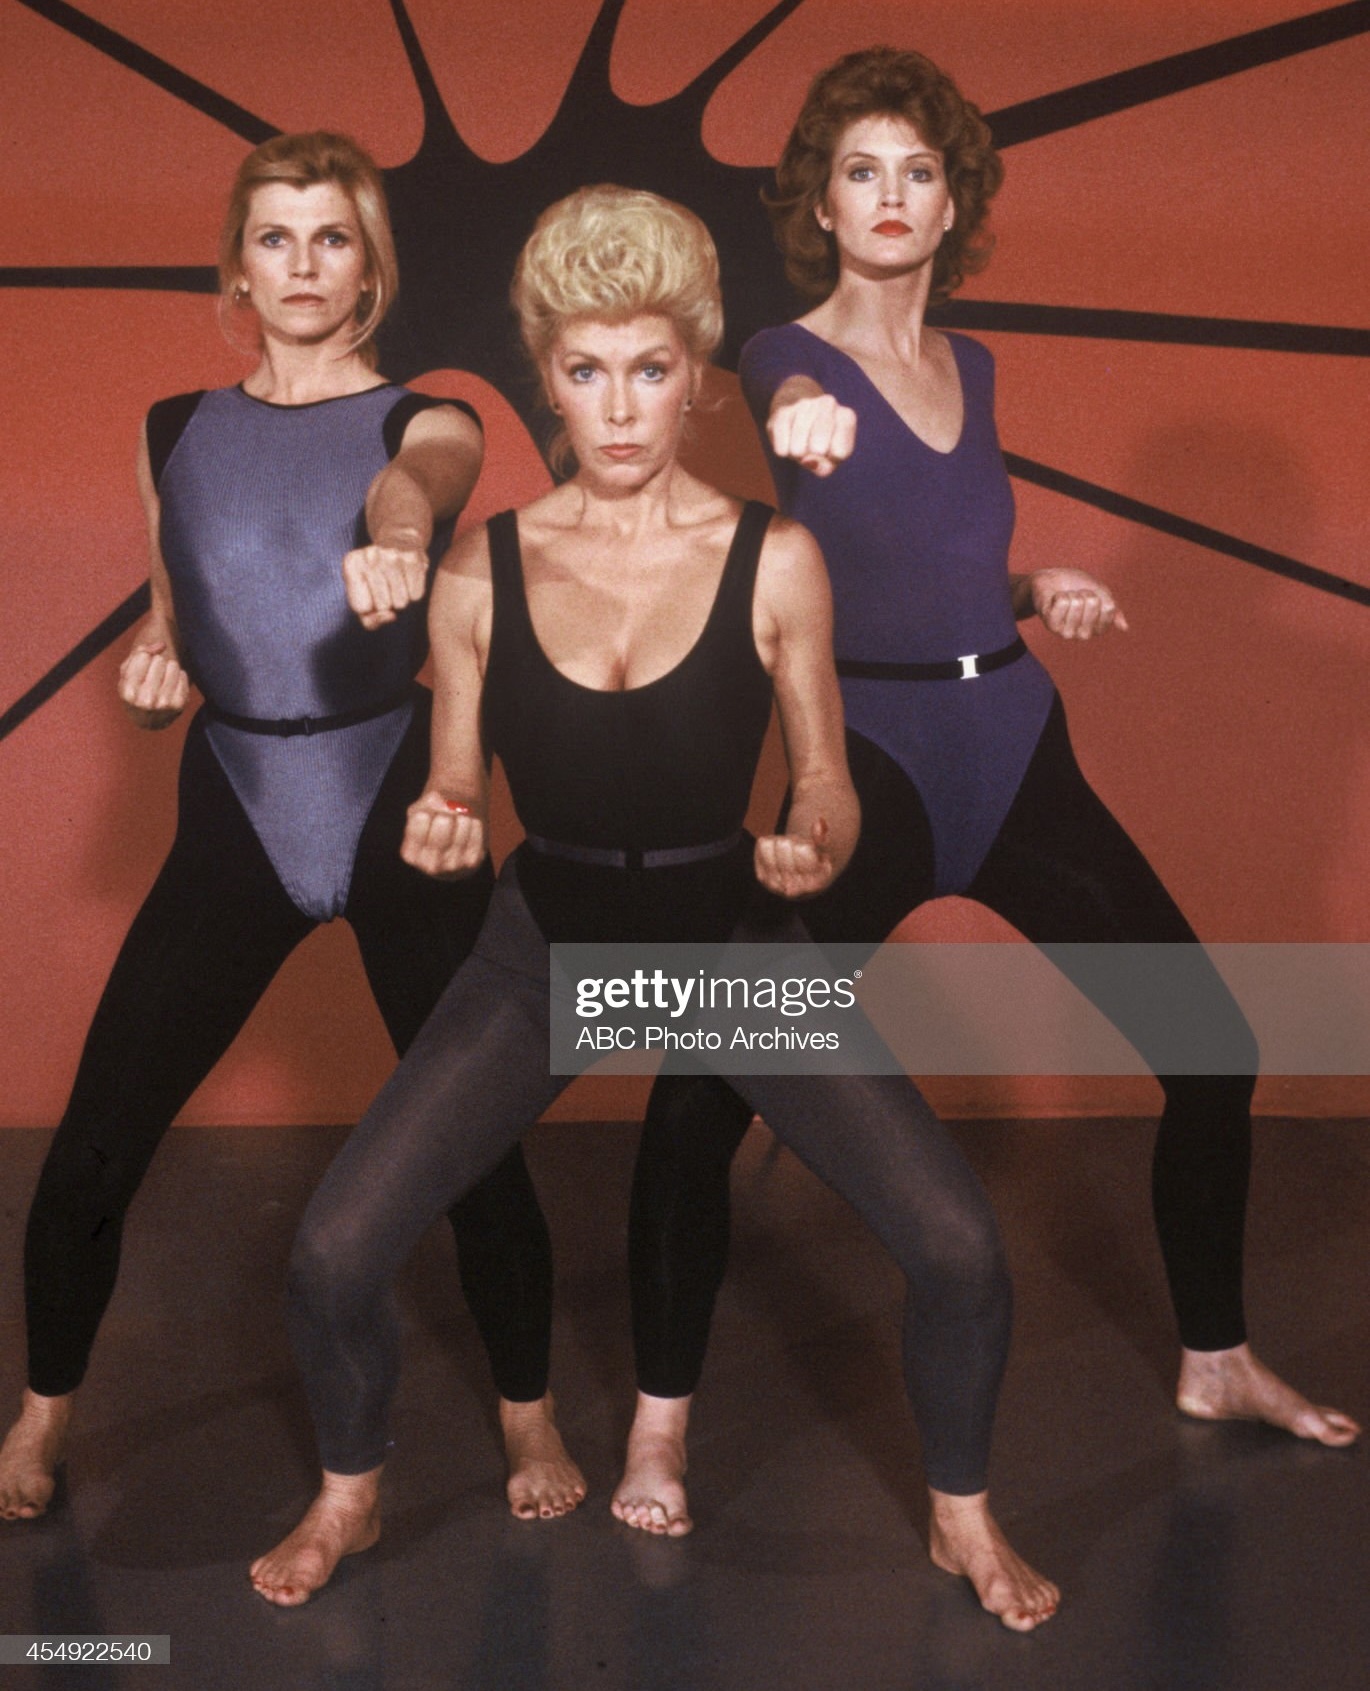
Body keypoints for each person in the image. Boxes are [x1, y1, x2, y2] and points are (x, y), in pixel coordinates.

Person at [249, 184, 1059, 1630]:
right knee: (330, 1251)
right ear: (546, 378)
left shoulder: (775, 558)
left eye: (649, 369)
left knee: (959, 1248)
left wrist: (813, 843)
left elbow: (827, 788)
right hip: (546, 956)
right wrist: (442, 820)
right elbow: (456, 785)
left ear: (695, 378)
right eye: (584, 370)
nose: (618, 408)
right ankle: (349, 1492)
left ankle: (961, 1517)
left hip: (725, 949)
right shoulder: (481, 568)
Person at [629, 43, 1359, 1530]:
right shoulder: (784, 358)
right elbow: (789, 412)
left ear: (953, 203)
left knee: (1213, 1053)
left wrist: (1032, 588)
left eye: (918, 171)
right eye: (861, 172)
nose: (891, 195)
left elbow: (930, 557)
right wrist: (795, 422)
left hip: (1016, 749)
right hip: (875, 771)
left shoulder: (974, 368)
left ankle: (1214, 1360)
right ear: (821, 204)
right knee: (701, 1088)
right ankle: (657, 1429)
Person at [0, 132, 586, 1531]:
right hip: (239, 809)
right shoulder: (171, 430)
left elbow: (416, 484)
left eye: (333, 239)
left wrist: (399, 537)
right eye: (276, 239)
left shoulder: (428, 415)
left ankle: (531, 1415)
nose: (304, 265)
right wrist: (152, 673)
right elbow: (178, 617)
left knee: (476, 1140)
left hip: (395, 796)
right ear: (238, 270)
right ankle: (41, 1412)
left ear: (370, 269)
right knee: (93, 1147)